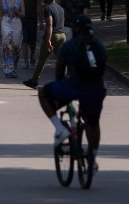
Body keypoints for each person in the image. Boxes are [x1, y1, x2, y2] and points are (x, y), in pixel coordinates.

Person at [37, 14, 108, 168]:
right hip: (97, 90)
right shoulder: (100, 45)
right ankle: (93, 157)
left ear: (75, 29)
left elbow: (60, 72)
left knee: (43, 93)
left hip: (74, 87)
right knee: (93, 122)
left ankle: (60, 128)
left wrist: (60, 88)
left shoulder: (68, 46)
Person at [24, 0, 67, 88]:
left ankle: (34, 81)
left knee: (42, 59)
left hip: (53, 36)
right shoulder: (60, 8)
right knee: (61, 60)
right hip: (62, 35)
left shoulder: (48, 9)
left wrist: (48, 40)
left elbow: (50, 25)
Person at [0, 0, 25, 78]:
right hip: (6, 23)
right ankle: (8, 70)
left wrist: (17, 11)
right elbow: (0, 14)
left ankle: (14, 68)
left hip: (17, 23)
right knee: (8, 45)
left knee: (16, 46)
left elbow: (23, 14)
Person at [19, 0, 41, 69]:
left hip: (33, 19)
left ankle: (32, 54)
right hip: (22, 19)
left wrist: (41, 21)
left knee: (32, 41)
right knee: (24, 40)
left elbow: (39, 6)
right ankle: (25, 60)